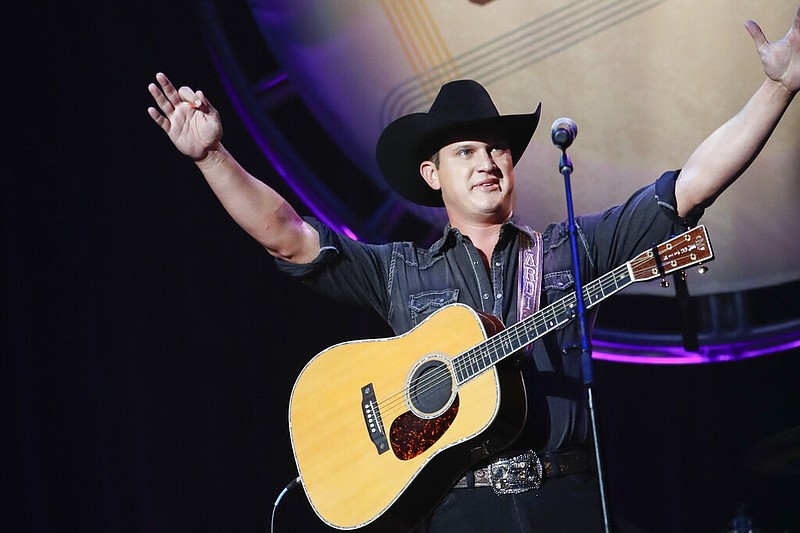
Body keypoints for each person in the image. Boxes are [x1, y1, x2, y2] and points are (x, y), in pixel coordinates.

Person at [147, 7, 799, 532]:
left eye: (498, 149)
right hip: (456, 508)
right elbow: (287, 237)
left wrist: (778, 87)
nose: (488, 160)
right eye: (466, 150)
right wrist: (212, 159)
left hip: (567, 500)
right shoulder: (397, 270)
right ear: (433, 174)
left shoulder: (569, 249)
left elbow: (688, 187)